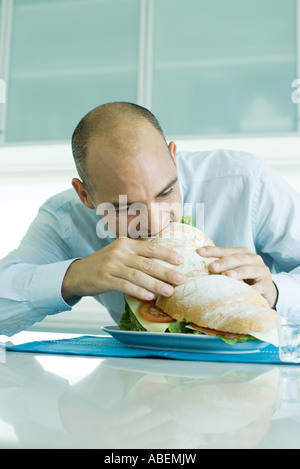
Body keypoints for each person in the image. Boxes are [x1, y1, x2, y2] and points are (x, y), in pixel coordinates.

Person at [0, 102, 299, 336]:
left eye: (166, 192)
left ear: (173, 156)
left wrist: (273, 291)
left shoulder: (247, 182)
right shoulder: (65, 218)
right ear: (85, 196)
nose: (156, 224)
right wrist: (75, 276)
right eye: (125, 207)